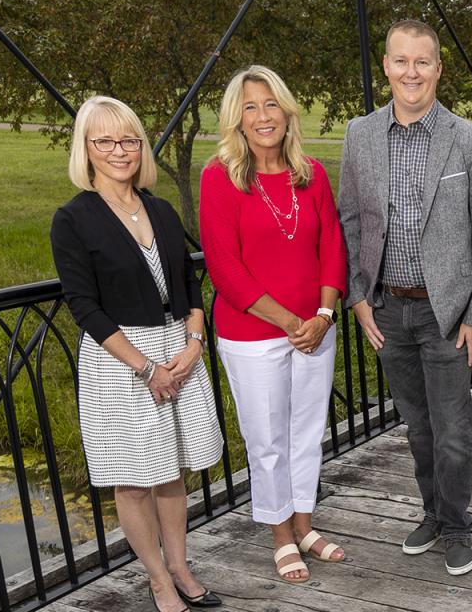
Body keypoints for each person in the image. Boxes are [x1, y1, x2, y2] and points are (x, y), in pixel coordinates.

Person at [338, 19, 472, 576]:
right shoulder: (360, 135)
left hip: (447, 314)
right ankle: (433, 514)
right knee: (416, 425)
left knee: (454, 429)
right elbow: (351, 222)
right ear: (385, 65)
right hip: (387, 310)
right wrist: (359, 298)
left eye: (423, 62)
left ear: (438, 68)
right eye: (401, 61)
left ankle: (458, 526)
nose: (411, 72)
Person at [50, 96, 224, 612]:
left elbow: (190, 285)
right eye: (104, 141)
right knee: (132, 478)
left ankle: (180, 565)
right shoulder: (73, 219)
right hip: (121, 360)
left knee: (173, 470)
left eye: (128, 139)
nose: (119, 150)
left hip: (178, 348)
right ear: (86, 149)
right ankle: (157, 580)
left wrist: (194, 345)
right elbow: (83, 305)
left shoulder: (162, 209)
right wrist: (145, 367)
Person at [199, 65, 348, 584]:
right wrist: (292, 322)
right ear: (236, 120)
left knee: (307, 433)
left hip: (315, 329)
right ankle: (281, 535)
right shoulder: (219, 178)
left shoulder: (311, 173)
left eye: (271, 104)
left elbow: (331, 242)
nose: (263, 116)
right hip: (253, 334)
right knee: (267, 439)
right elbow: (225, 268)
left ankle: (304, 524)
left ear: (286, 111)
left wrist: (324, 315)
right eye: (250, 107)